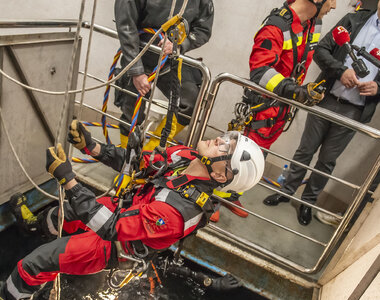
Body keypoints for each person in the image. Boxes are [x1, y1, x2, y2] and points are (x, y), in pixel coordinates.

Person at [0, 121, 264, 300]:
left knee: (37, 262)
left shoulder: (177, 213)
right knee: (65, 214)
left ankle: (8, 299)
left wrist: (69, 181)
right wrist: (91, 147)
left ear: (220, 176)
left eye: (224, 148)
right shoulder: (185, 156)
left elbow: (110, 229)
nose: (218, 140)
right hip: (124, 208)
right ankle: (34, 226)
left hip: (114, 244)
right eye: (226, 139)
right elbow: (142, 165)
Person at [211, 0, 336, 222]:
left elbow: (304, 57)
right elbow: (260, 71)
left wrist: (300, 92)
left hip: (280, 107)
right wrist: (296, 91)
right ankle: (211, 200)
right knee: (238, 153)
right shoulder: (276, 27)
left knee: (257, 156)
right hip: (263, 107)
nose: (334, 5)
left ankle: (231, 195)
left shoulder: (311, 25)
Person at [263, 1, 380, 226]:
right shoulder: (354, 20)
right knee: (305, 150)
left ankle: (308, 202)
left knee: (327, 161)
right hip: (325, 98)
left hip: (354, 111)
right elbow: (321, 49)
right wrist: (340, 71)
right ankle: (286, 192)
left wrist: (378, 88)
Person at [114, 0, 214, 149]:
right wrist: (136, 70)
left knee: (191, 104)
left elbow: (203, 29)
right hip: (140, 53)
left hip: (172, 59)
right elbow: (126, 26)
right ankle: (125, 158)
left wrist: (181, 43)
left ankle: (150, 153)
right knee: (132, 110)